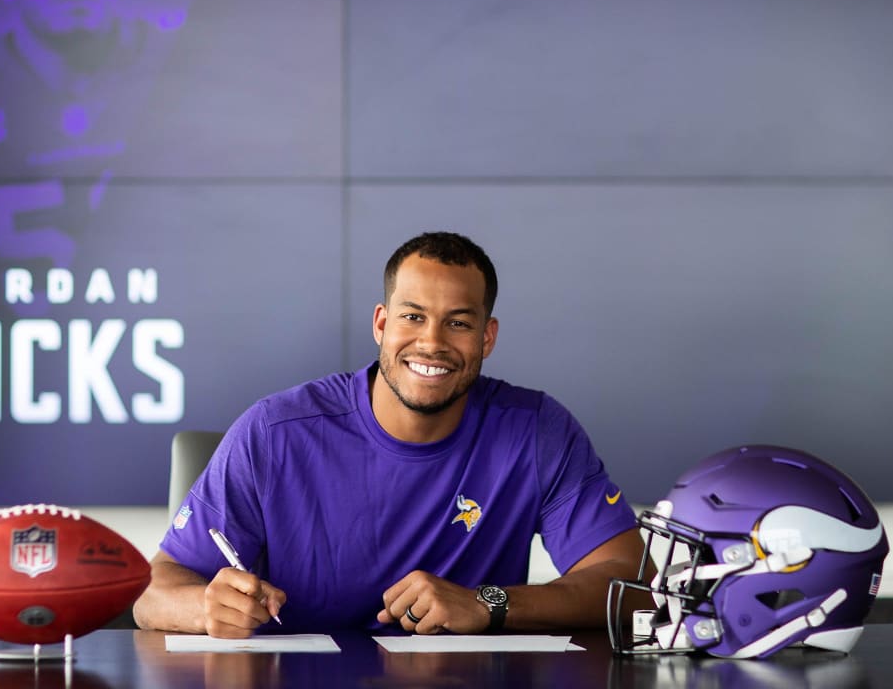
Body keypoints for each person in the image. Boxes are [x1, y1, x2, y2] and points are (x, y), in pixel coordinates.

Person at [133, 231, 647, 638]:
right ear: (381, 324)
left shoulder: (535, 430)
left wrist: (487, 603)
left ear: (487, 337)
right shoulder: (273, 433)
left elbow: (630, 586)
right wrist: (206, 607)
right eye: (413, 317)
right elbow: (153, 591)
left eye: (459, 324)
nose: (432, 342)